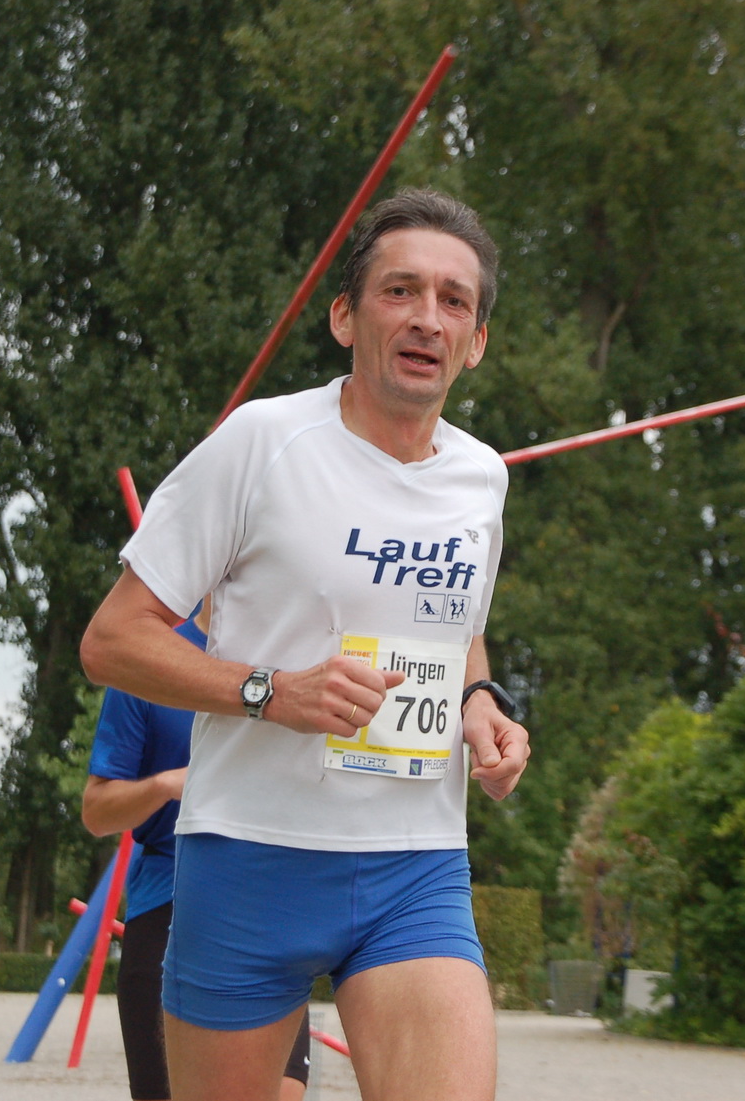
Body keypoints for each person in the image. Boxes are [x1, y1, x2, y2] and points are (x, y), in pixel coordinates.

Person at [80, 187, 531, 1101]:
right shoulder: (262, 443)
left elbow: (460, 627)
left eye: (455, 301)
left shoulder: (482, 479)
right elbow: (111, 640)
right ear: (344, 315)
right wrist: (268, 691)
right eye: (400, 290)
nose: (427, 318)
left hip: (418, 865)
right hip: (250, 858)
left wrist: (483, 704)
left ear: (477, 340)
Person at [82, 610, 312, 1101]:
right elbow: (96, 812)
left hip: (269, 905)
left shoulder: (298, 654)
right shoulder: (149, 655)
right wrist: (167, 785)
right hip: (169, 899)